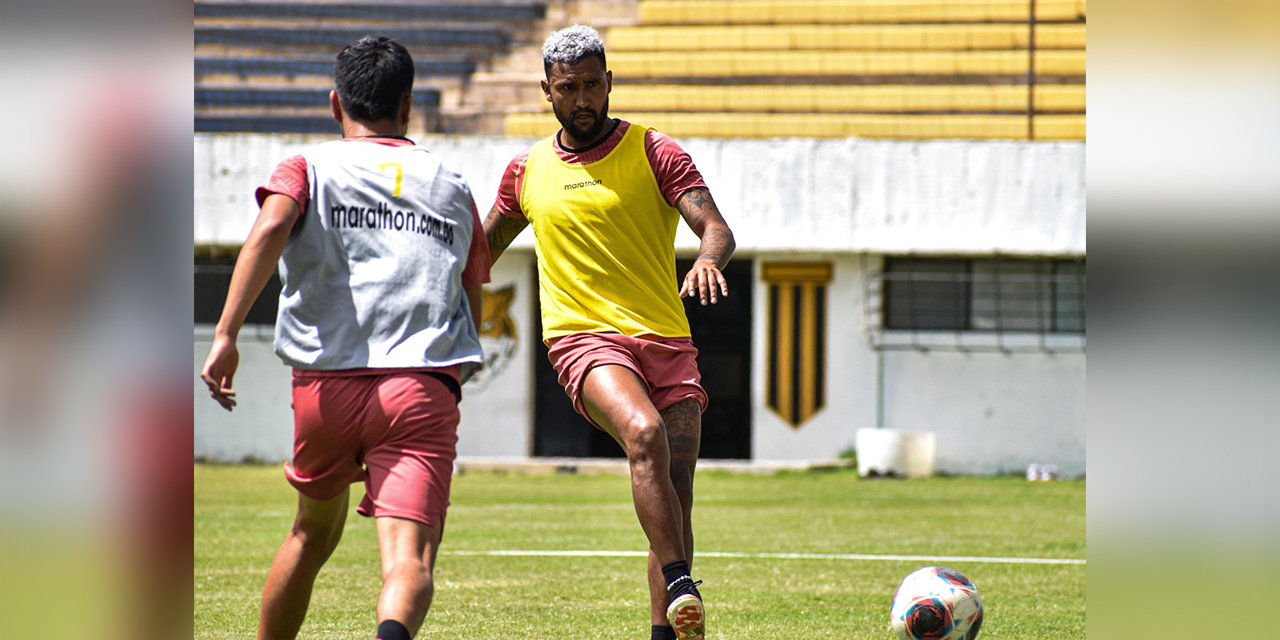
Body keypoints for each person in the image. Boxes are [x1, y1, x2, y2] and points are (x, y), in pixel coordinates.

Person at [199, 35, 489, 640]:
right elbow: (471, 286)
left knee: (310, 535)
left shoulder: (306, 166)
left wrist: (226, 333)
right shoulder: (453, 185)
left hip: (324, 391)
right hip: (418, 386)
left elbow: (271, 225)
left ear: (336, 104)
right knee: (407, 559)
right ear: (408, 106)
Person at [485, 25, 735, 640]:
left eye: (593, 85)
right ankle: (682, 584)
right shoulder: (526, 171)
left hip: (666, 339)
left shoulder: (655, 151)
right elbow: (478, 253)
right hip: (584, 340)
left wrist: (706, 260)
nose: (583, 99)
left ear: (609, 82)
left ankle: (667, 629)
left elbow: (717, 229)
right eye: (569, 88)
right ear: (547, 90)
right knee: (643, 431)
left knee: (677, 490)